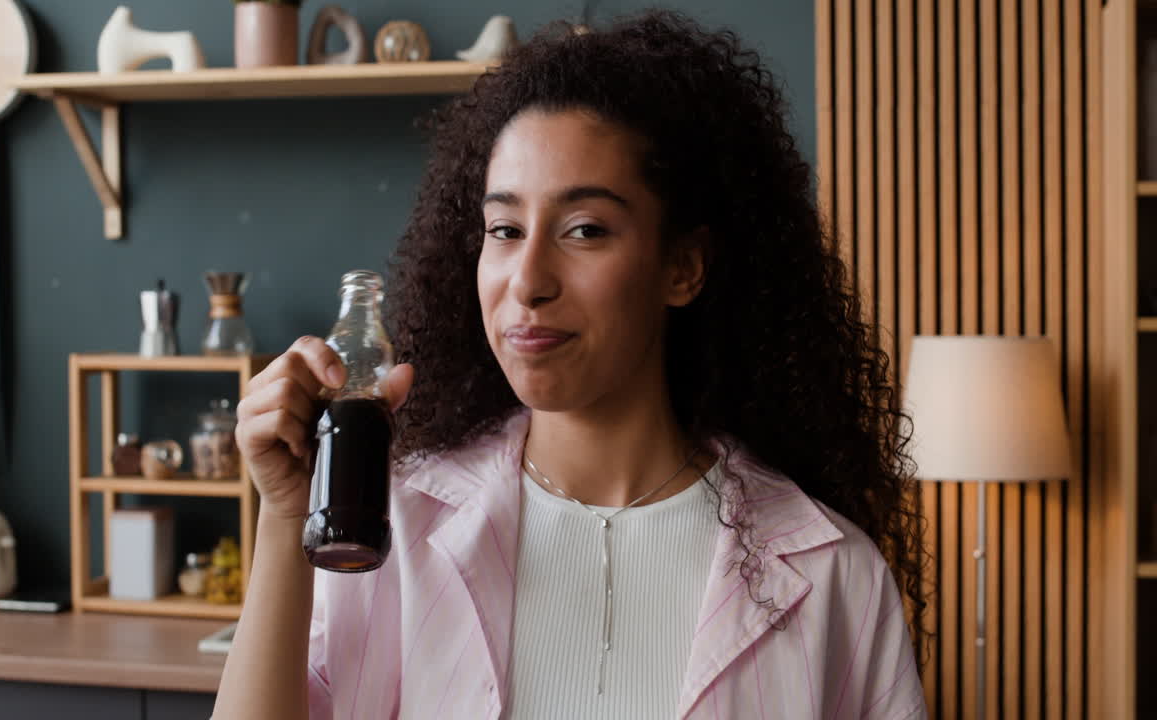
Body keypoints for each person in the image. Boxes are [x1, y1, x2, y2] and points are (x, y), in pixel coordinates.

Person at [212, 9, 927, 720]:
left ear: (682, 266)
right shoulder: (392, 523)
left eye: (585, 229)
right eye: (505, 229)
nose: (528, 281)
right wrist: (284, 515)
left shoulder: (835, 574)